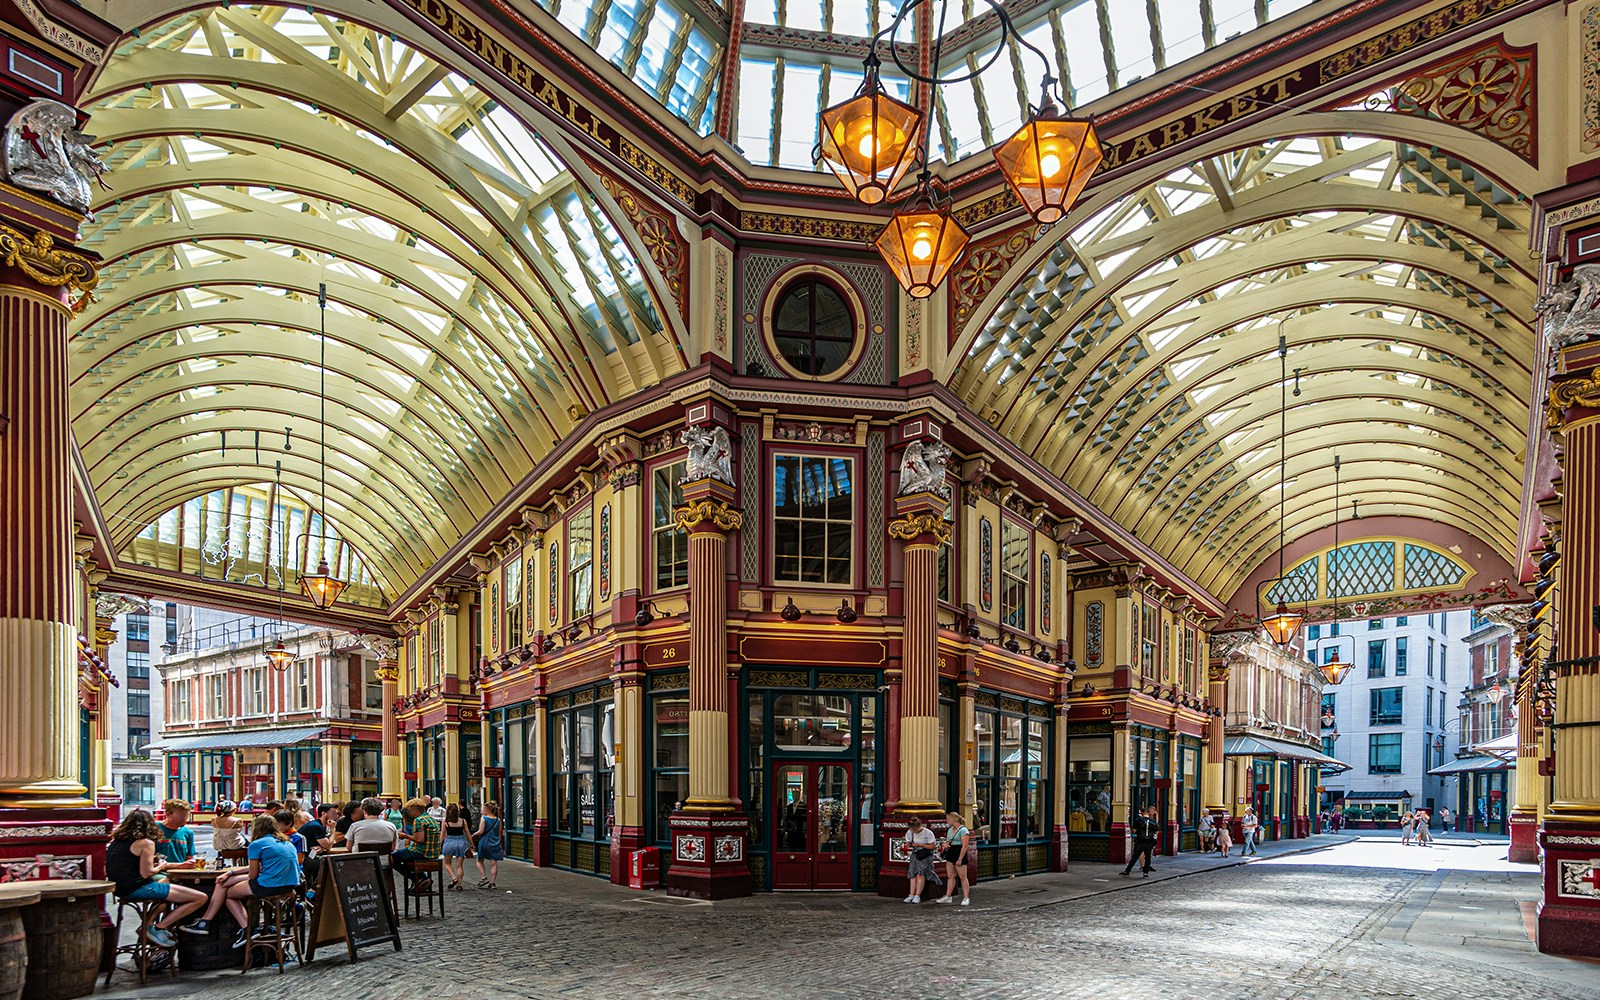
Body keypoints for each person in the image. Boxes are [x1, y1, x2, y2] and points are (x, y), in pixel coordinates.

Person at [182, 814, 300, 950]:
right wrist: (231, 874)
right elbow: (260, 869)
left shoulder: (257, 844)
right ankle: (206, 922)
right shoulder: (287, 842)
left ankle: (246, 928)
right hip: (289, 885)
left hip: (270, 885)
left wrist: (231, 876)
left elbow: (253, 875)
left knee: (229, 894)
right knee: (224, 882)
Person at [106, 810, 208, 948]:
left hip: (120, 888)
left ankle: (147, 924)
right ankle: (158, 928)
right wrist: (161, 866)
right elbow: (146, 873)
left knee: (165, 896)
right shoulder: (145, 843)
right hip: (138, 888)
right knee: (200, 898)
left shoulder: (116, 842)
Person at [392, 797, 441, 891]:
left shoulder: (418, 820)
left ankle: (417, 878)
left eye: (409, 810)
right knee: (404, 857)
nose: (409, 812)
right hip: (434, 853)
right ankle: (421, 878)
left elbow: (420, 839)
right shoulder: (431, 819)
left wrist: (405, 836)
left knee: (392, 858)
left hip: (421, 852)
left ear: (415, 809)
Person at [934, 811, 973, 906]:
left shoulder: (963, 830)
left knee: (963, 877)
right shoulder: (950, 830)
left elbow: (964, 846)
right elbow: (948, 841)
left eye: (948, 819)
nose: (947, 821)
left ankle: (966, 897)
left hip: (959, 852)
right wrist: (945, 845)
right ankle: (948, 896)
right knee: (950, 876)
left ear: (953, 819)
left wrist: (960, 859)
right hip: (951, 852)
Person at [901, 816, 941, 903]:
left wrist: (921, 845)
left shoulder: (927, 833)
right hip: (915, 854)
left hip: (924, 855)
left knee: (920, 874)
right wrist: (909, 844)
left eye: (915, 829)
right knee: (912, 873)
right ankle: (911, 895)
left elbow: (932, 846)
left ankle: (917, 895)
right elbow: (908, 842)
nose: (913, 831)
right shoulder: (910, 832)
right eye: (912, 829)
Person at [440, 804, 473, 890]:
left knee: (447, 863)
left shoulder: (445, 821)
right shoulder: (462, 821)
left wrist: (439, 844)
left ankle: (453, 877)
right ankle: (459, 884)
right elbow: (468, 834)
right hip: (461, 843)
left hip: (449, 842)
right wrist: (472, 844)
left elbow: (442, 835)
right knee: (459, 866)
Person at [474, 801, 505, 889]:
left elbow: (481, 831)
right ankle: (493, 882)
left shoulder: (484, 818)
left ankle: (484, 877)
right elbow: (499, 833)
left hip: (484, 842)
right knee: (493, 863)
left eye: (483, 809)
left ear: (487, 810)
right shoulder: (497, 820)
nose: (482, 810)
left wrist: (474, 835)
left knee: (479, 860)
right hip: (495, 842)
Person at [153, 800, 195, 864]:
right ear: (168, 814)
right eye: (181, 815)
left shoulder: (188, 833)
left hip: (180, 871)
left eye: (186, 815)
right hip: (159, 871)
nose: (185, 818)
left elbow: (190, 857)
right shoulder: (154, 829)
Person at [1123, 805, 1159, 876]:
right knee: (1148, 856)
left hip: (1140, 841)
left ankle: (1127, 870)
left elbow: (1134, 830)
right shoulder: (1153, 821)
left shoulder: (1138, 820)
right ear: (1148, 813)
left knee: (1135, 856)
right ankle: (1145, 872)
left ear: (1142, 813)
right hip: (1149, 842)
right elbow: (1156, 831)